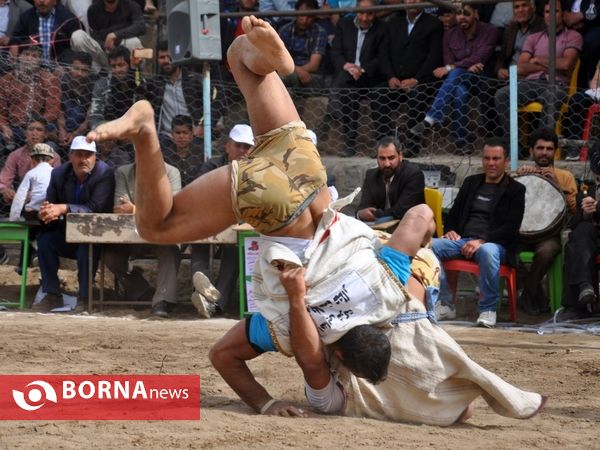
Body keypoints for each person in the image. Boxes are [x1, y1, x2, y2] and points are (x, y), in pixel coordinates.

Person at [87, 15, 545, 424]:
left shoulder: (387, 282)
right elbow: (225, 356)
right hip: (277, 208)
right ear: (340, 354)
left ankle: (262, 52)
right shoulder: (304, 333)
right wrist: (266, 403)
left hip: (308, 171)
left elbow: (421, 216)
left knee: (239, 61)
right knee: (156, 226)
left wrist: (418, 281)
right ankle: (146, 130)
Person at [432, 138, 525, 327]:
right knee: (429, 246)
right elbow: (454, 213)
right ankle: (446, 304)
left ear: (505, 161)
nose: (491, 163)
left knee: (487, 251)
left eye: (496, 159)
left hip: (495, 244)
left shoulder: (516, 190)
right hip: (463, 241)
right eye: (487, 158)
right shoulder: (471, 182)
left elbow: (511, 228)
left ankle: (488, 309)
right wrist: (450, 230)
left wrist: (482, 241)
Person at [34, 136, 115, 311]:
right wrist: (46, 213)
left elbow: (96, 208)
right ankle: (51, 294)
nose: (84, 159)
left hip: (96, 235)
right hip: (66, 233)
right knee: (45, 240)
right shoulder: (58, 174)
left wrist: (63, 208)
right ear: (70, 156)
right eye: (79, 154)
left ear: (95, 157)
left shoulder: (104, 173)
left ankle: (85, 298)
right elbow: (51, 203)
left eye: (88, 155)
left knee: (87, 246)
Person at [408, 3, 498, 153]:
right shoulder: (450, 34)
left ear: (476, 14)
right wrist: (460, 66)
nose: (462, 17)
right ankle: (461, 143)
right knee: (459, 92)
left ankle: (430, 118)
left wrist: (452, 67)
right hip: (458, 80)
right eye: (458, 13)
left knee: (454, 73)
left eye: (466, 13)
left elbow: (480, 57)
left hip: (481, 79)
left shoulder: (490, 31)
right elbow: (449, 60)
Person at [190, 123, 254, 318]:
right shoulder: (211, 166)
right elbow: (199, 194)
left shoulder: (255, 170)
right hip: (211, 220)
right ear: (227, 146)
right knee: (198, 245)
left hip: (239, 226)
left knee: (235, 251)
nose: (242, 150)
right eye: (238, 145)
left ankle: (215, 304)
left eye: (246, 147)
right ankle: (204, 292)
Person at [104, 162, 182, 318]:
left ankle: (163, 302)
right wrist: (153, 211)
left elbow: (170, 209)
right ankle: (143, 291)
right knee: (110, 256)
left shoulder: (172, 172)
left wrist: (134, 209)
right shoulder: (123, 172)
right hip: (131, 233)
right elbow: (119, 208)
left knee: (170, 250)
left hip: (162, 233)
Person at [495, 0, 582, 138]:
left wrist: (539, 60)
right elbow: (521, 68)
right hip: (530, 84)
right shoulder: (533, 38)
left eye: (555, 11)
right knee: (502, 95)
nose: (551, 15)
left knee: (552, 96)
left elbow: (566, 64)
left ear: (564, 14)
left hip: (555, 85)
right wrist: (551, 64)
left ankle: (542, 145)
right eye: (547, 12)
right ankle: (516, 147)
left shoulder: (573, 36)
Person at [515, 127, 576, 315]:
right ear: (531, 151)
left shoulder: (565, 176)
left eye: (549, 148)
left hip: (548, 235)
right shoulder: (520, 174)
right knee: (504, 250)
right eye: (540, 148)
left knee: (548, 251)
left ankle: (526, 293)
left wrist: (556, 184)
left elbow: (574, 210)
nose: (544, 152)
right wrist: (519, 178)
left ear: (555, 151)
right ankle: (535, 293)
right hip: (520, 234)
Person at [374, 0, 443, 152]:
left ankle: (412, 145)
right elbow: (383, 54)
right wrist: (390, 77)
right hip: (396, 81)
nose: (412, 1)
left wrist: (416, 79)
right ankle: (385, 145)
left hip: (420, 81)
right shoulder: (392, 24)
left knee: (417, 97)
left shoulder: (433, 24)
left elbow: (434, 57)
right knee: (379, 93)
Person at [322, 0, 387, 155]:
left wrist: (362, 69)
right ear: (356, 11)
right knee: (346, 89)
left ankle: (381, 146)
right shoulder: (344, 25)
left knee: (377, 94)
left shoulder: (382, 28)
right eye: (361, 13)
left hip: (370, 76)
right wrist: (348, 67)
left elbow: (381, 57)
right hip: (348, 74)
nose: (364, 18)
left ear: (375, 13)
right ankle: (350, 143)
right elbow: (336, 52)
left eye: (369, 13)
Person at [144, 41, 221, 148]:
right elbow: (136, 90)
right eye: (162, 57)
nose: (166, 60)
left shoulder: (195, 80)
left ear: (178, 57)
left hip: (194, 137)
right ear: (157, 60)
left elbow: (217, 101)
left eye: (169, 56)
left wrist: (203, 125)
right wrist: (135, 68)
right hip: (166, 140)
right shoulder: (154, 84)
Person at [560, 139, 600, 319]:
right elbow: (573, 223)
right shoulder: (588, 190)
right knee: (579, 233)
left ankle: (581, 291)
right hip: (592, 240)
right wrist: (586, 213)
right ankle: (581, 294)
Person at [0, 45, 61, 150]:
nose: (29, 59)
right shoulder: (6, 80)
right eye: (26, 54)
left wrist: (35, 128)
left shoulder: (50, 80)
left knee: (50, 146)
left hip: (41, 127)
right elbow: (1, 111)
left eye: (34, 56)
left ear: (40, 60)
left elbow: (53, 110)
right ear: (19, 57)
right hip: (14, 128)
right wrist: (4, 127)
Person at [0, 116, 62, 215]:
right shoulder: (16, 155)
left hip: (44, 198)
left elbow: (55, 183)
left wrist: (29, 196)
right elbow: (3, 179)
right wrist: (5, 190)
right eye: (31, 129)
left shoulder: (54, 157)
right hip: (20, 195)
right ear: (25, 133)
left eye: (39, 130)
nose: (34, 133)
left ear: (45, 135)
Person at [355, 137, 425, 223]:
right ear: (377, 158)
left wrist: (375, 214)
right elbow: (363, 207)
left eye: (391, 158)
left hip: (408, 226)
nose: (387, 164)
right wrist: (360, 213)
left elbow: (400, 212)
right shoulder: (371, 176)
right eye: (382, 158)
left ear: (400, 156)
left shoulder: (413, 175)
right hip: (377, 229)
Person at [70, 0, 145, 70]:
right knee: (77, 36)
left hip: (125, 52)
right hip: (103, 52)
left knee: (134, 42)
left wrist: (114, 35)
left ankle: (134, 77)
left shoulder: (131, 5)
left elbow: (141, 27)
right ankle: (95, 76)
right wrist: (125, 25)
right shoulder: (93, 9)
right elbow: (95, 36)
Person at [9, 0, 82, 64]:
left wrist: (62, 67)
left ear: (55, 1)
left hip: (60, 67)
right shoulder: (27, 16)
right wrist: (14, 44)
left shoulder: (68, 19)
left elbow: (74, 48)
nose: (41, 1)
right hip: (34, 66)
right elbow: (17, 36)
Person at [89, 45, 142, 129]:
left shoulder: (140, 84)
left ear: (129, 65)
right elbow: (95, 118)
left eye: (121, 65)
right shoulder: (102, 85)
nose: (117, 70)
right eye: (113, 66)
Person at [278, 0, 328, 88]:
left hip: (310, 75)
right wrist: (297, 70)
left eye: (309, 17)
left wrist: (298, 71)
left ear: (315, 16)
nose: (304, 20)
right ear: (296, 12)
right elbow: (279, 59)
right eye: (301, 15)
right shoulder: (285, 30)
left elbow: (314, 65)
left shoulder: (320, 32)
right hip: (288, 71)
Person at [58, 51, 97, 150]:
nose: (79, 73)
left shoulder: (93, 88)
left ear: (89, 72)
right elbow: (60, 111)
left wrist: (74, 134)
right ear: (69, 67)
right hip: (62, 129)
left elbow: (88, 118)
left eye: (84, 70)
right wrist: (61, 130)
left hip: (82, 132)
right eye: (76, 69)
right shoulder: (63, 83)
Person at [9, 143, 54, 222]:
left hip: (34, 213)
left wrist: (14, 218)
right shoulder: (56, 173)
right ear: (52, 160)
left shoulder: (31, 173)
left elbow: (20, 196)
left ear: (32, 159)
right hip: (52, 211)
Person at [163, 115, 205, 187]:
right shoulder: (166, 156)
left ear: (191, 135)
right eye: (178, 133)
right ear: (172, 134)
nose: (181, 136)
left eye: (185, 133)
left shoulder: (200, 154)